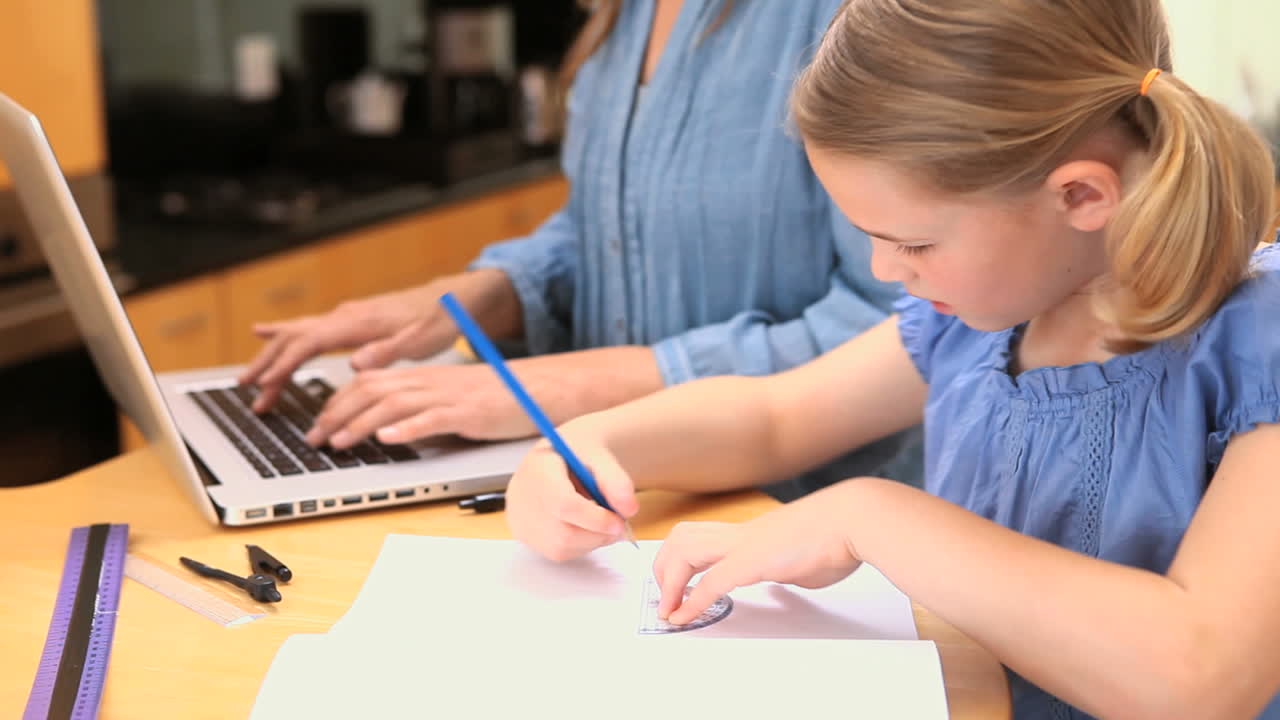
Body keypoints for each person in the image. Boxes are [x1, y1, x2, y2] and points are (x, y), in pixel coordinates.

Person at [503, 0, 1280, 717]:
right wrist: (584, 447)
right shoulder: (980, 322)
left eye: (913, 242)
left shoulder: (1257, 342)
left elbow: (1201, 673)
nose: (883, 270)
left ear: (1081, 197)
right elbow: (775, 416)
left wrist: (869, 515)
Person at [237, 0, 917, 496]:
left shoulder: (848, 16)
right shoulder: (624, 17)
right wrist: (472, 300)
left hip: (801, 509)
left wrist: (571, 387)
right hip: (624, 490)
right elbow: (605, 226)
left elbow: (904, 319)